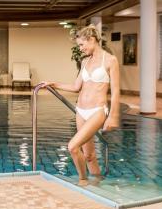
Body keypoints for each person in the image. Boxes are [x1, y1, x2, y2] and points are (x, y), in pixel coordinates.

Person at [41, 24, 120, 186]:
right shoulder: (85, 62)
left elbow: (116, 91)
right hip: (81, 111)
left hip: (97, 110)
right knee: (89, 155)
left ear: (92, 40)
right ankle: (98, 185)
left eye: (82, 45)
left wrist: (113, 116)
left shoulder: (110, 60)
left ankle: (83, 182)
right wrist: (53, 84)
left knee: (72, 147)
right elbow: (76, 87)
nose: (81, 49)